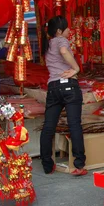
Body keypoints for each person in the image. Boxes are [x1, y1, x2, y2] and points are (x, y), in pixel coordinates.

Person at [39, 16, 87, 176]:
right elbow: (64, 51)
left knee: (48, 126)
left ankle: (47, 165)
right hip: (68, 85)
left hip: (53, 87)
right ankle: (79, 165)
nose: (69, 31)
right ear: (59, 31)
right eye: (67, 28)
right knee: (74, 124)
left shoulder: (48, 44)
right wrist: (76, 68)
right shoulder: (61, 41)